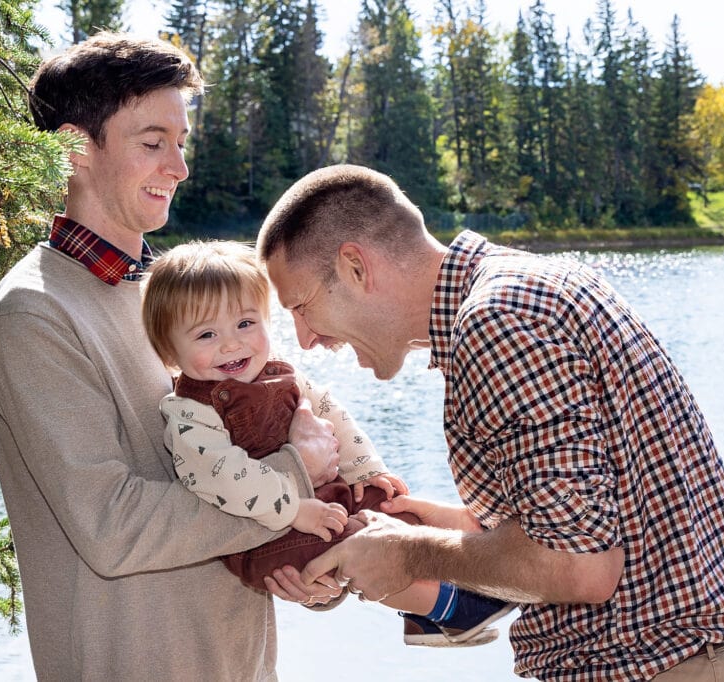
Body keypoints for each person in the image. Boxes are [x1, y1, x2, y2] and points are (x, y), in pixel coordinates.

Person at [256, 164, 724, 681]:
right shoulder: (522, 287)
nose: (305, 340)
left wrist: (408, 554)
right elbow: (601, 512)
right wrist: (447, 525)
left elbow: (580, 566)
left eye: (301, 307)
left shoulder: (496, 324)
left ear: (355, 268)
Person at [0, 33, 340, 680]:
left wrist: (295, 557)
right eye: (152, 143)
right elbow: (113, 525)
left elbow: (225, 476)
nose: (179, 166)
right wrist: (293, 480)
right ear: (74, 149)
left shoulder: (176, 298)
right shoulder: (32, 314)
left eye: (181, 142)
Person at [139, 240, 514, 646]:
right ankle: (449, 607)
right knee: (353, 544)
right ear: (169, 352)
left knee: (388, 505)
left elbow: (334, 416)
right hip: (264, 532)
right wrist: (295, 509)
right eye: (207, 334)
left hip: (318, 499)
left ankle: (424, 608)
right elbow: (226, 478)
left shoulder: (282, 373)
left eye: (246, 323)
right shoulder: (190, 412)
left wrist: (368, 469)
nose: (232, 344)